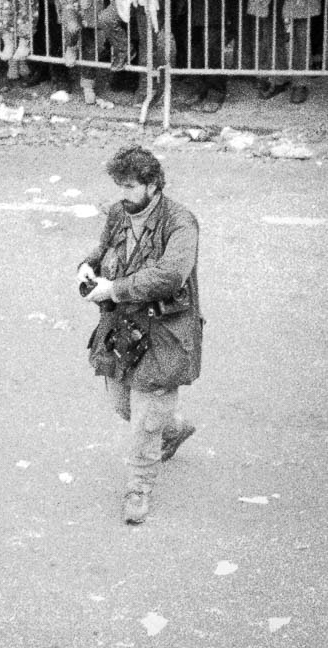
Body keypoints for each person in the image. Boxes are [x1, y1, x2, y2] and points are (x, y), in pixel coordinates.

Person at [78, 145, 202, 525]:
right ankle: (175, 428)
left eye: (130, 186)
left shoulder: (180, 221)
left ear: (152, 184)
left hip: (165, 332)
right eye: (120, 186)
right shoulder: (119, 212)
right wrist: (87, 265)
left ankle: (139, 487)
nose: (123, 194)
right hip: (123, 329)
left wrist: (114, 289)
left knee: (145, 424)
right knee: (123, 406)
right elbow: (102, 249)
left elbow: (169, 275)